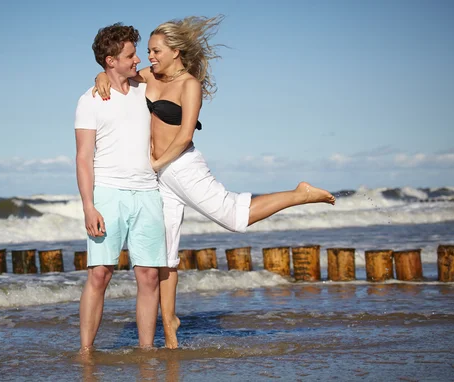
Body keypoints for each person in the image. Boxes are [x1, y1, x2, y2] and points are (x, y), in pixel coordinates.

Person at [94, 15, 336, 349]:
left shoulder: (189, 85)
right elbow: (115, 72)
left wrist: (155, 164)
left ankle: (299, 194)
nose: (150, 56)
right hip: (159, 178)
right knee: (162, 254)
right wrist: (99, 77)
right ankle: (170, 327)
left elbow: (183, 136)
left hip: (181, 167)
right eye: (148, 51)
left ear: (176, 51)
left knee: (235, 217)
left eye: (156, 50)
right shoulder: (147, 76)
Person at [75, 23, 167, 355]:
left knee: (149, 277)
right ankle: (85, 351)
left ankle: (146, 351)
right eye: (130, 55)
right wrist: (89, 205)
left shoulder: (147, 88)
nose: (138, 59)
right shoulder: (90, 99)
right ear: (111, 60)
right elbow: (84, 157)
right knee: (99, 274)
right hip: (108, 194)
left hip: (147, 192)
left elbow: (173, 70)